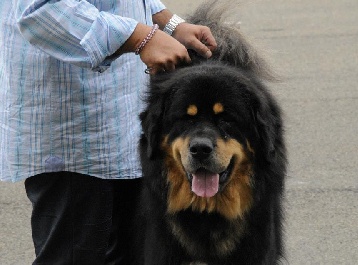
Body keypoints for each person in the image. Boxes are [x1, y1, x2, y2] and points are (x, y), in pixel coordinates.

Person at [0, 0, 217, 264]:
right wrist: (139, 37)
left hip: (122, 125)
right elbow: (41, 12)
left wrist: (168, 22)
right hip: (75, 135)